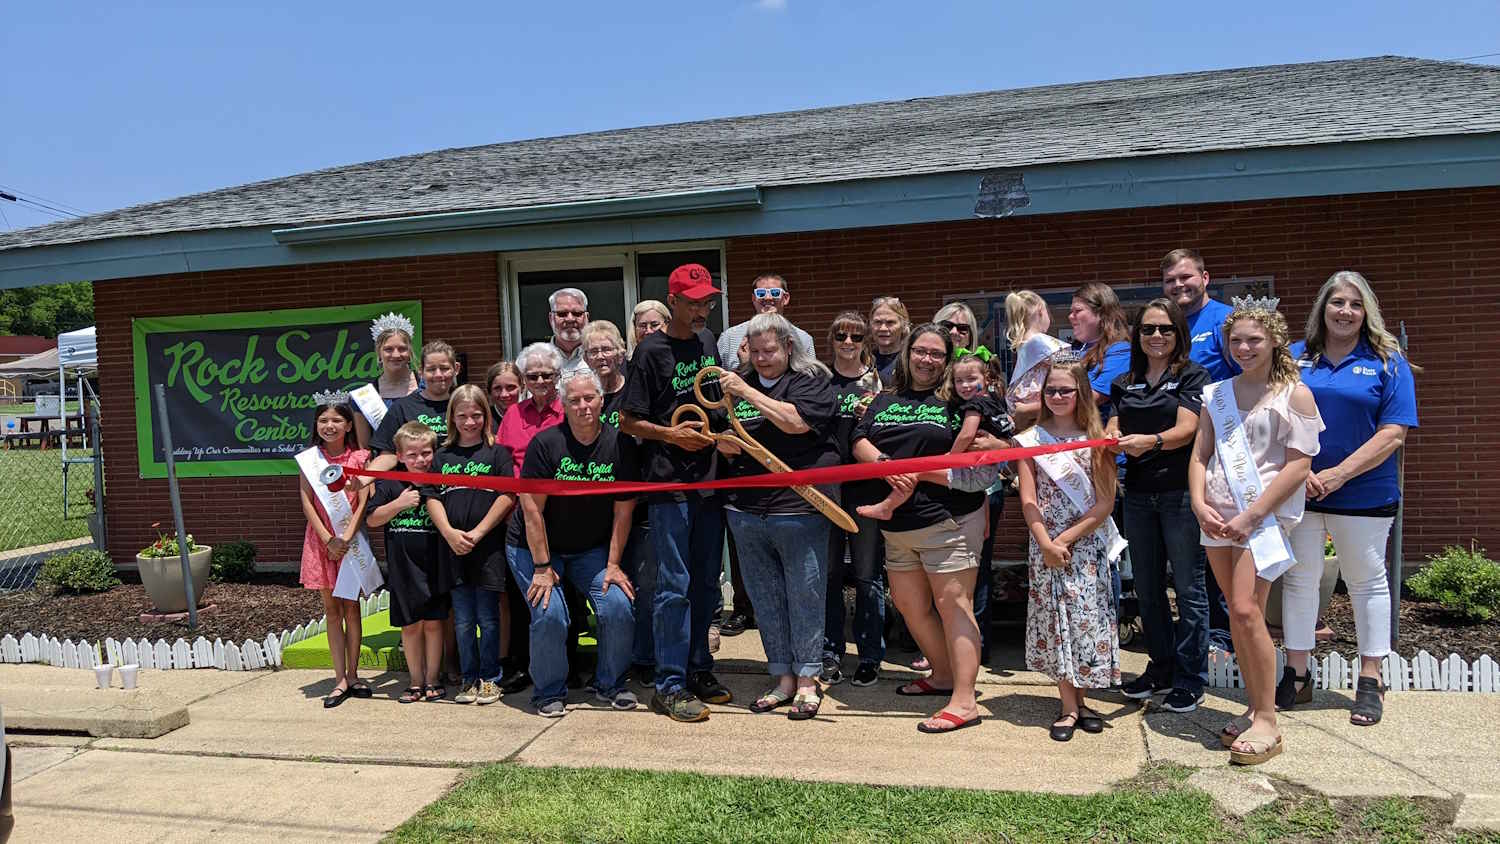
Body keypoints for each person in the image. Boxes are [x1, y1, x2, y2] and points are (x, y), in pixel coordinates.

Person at [1189, 297, 1323, 766]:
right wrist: (1199, 502)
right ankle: (1251, 706)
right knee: (1237, 613)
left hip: (1261, 519)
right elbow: (1201, 453)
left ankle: (1268, 718)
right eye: (1236, 339)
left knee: (1246, 610)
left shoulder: (1295, 394)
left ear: (1275, 341)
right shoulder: (1217, 393)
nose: (1243, 347)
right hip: (1217, 517)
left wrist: (1251, 515)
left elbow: (1299, 464)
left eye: (1254, 339)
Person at [1282, 272, 1417, 726]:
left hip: (1363, 493)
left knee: (1366, 582)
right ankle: (1297, 674)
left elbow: (1394, 432)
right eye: (1336, 302)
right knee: (1300, 581)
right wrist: (1297, 475)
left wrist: (1337, 475)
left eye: (1354, 305)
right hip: (1301, 491)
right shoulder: (1296, 357)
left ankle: (1370, 678)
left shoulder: (1387, 361)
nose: (1344, 311)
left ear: (1367, 313)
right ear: (1322, 308)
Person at [852, 325, 985, 734]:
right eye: (920, 352)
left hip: (948, 519)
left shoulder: (957, 401)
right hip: (898, 526)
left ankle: (965, 700)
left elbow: (979, 461)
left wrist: (918, 474)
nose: (927, 360)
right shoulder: (886, 399)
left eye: (937, 355)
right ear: (908, 353)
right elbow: (859, 439)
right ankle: (942, 675)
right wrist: (884, 466)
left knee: (954, 605)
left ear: (947, 360)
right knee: (910, 606)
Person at [620, 262, 733, 722]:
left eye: (707, 300)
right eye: (694, 301)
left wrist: (723, 436)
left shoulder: (708, 343)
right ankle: (668, 684)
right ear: (673, 302)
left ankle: (698, 668)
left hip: (708, 480)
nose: (703, 308)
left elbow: (717, 401)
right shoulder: (650, 351)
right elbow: (629, 420)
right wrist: (671, 436)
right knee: (674, 585)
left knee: (707, 583)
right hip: (669, 483)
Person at [715, 313, 840, 720]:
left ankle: (808, 679)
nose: (764, 359)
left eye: (771, 350)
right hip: (745, 509)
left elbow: (796, 422)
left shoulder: (811, 381)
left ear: (788, 347)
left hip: (800, 507)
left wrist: (748, 393)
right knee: (765, 598)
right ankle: (782, 677)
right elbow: (723, 432)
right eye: (757, 351)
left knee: (805, 594)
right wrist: (723, 445)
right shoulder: (736, 385)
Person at [511, 368, 641, 717]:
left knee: (616, 603)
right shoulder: (546, 444)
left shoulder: (620, 444)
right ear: (563, 405)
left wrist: (613, 565)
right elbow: (531, 510)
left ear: (602, 400)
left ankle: (610, 683)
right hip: (534, 548)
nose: (583, 406)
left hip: (590, 550)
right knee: (549, 613)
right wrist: (541, 567)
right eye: (574, 400)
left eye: (589, 398)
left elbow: (623, 513)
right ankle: (548, 692)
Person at [1106, 299, 1211, 713]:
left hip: (1180, 494)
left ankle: (1190, 678)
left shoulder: (1192, 375)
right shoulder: (1125, 380)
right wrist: (1114, 433)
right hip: (1137, 494)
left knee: (1188, 589)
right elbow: (1117, 421)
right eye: (1148, 329)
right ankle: (1161, 666)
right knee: (1147, 589)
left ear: (1178, 334)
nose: (1156, 336)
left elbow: (1187, 430)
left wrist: (1147, 443)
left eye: (1165, 329)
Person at [1017, 355, 1121, 741]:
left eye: (1065, 389)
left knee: (1086, 619)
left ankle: (1083, 699)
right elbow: (1028, 499)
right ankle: (1068, 707)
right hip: (1044, 542)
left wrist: (1065, 539)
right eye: (1051, 390)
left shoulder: (1097, 440)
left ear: (1081, 393)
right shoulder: (1029, 440)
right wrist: (1046, 541)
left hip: (1085, 543)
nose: (1057, 396)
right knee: (1058, 621)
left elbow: (1105, 502)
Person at [1162, 248, 1240, 656]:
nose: (1179, 285)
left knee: (1218, 535)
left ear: (1205, 277)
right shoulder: (1167, 325)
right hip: (1176, 452)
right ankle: (1195, 630)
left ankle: (1223, 632)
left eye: (1186, 277)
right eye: (1171, 280)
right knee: (1187, 546)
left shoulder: (1225, 321)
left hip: (1222, 448)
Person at [424, 385, 517, 707]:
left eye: (476, 415)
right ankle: (468, 678)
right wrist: (449, 532)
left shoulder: (498, 453)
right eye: (462, 415)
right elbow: (432, 497)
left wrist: (478, 532)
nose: (469, 421)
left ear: (486, 416)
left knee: (489, 618)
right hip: (453, 550)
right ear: (452, 417)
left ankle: (490, 679)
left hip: (487, 548)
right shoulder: (442, 456)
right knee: (462, 620)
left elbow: (507, 495)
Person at [583, 319, 656, 685]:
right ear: (584, 357)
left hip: (638, 507)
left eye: (607, 348)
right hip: (596, 513)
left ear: (621, 351)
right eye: (593, 350)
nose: (601, 356)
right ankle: (612, 658)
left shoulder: (636, 395)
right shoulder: (584, 399)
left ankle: (642, 657)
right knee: (608, 589)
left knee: (642, 587)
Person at [498, 343, 569, 694]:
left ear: (558, 376)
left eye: (547, 374)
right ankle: (523, 665)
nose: (540, 380)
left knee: (563, 592)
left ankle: (567, 665)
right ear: (524, 379)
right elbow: (501, 459)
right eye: (533, 375)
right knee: (522, 596)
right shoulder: (513, 414)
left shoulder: (568, 409)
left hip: (563, 515)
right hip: (517, 516)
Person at [821, 311, 885, 687]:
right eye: (840, 336)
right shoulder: (818, 378)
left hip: (866, 489)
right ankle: (831, 649)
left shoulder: (880, 382)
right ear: (831, 339)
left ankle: (870, 654)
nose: (848, 343)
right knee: (828, 574)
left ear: (866, 342)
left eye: (856, 337)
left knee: (867, 576)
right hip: (827, 488)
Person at [366, 421, 450, 704]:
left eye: (426, 453)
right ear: (399, 456)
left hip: (435, 564)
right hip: (403, 569)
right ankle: (415, 681)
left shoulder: (440, 481)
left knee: (434, 624)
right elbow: (372, 518)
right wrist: (398, 504)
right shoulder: (390, 484)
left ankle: (433, 679)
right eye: (412, 455)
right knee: (411, 626)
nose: (420, 460)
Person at [298, 399, 372, 708]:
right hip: (322, 542)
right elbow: (306, 502)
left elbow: (365, 499)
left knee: (352, 609)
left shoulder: (359, 457)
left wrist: (347, 535)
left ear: (349, 425)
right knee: (332, 611)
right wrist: (329, 538)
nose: (329, 426)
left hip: (351, 543)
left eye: (336, 420)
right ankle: (339, 678)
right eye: (323, 420)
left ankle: (354, 675)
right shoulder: (309, 460)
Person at [366, 340, 460, 473]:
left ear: (456, 369)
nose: (438, 375)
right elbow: (389, 455)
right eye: (431, 369)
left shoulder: (464, 406)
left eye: (444, 368)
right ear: (421, 372)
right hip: (416, 490)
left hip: (457, 486)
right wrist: (363, 479)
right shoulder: (402, 408)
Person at [716, 273, 816, 366]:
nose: (768, 297)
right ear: (753, 298)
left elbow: (812, 380)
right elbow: (718, 378)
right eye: (761, 293)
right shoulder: (729, 338)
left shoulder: (803, 340)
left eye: (775, 292)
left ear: (786, 298)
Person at [354, 312, 421, 449]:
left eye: (402, 349)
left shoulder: (426, 386)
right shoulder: (366, 395)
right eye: (388, 349)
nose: (396, 355)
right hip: (385, 466)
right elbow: (365, 449)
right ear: (379, 352)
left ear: (409, 352)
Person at [1004, 290, 1067, 429]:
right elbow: (1070, 362)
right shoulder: (1039, 341)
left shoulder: (1022, 343)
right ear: (1040, 310)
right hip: (1038, 405)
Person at [1068, 283, 1132, 414]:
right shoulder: (1074, 349)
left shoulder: (1122, 351)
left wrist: (1029, 410)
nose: (1070, 317)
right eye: (1071, 312)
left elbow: (1093, 397)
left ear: (1102, 313)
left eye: (1078, 311)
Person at [869, 296, 911, 383]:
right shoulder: (864, 361)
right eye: (878, 322)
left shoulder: (911, 361)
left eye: (890, 322)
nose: (883, 328)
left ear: (903, 326)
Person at [548, 288, 590, 369]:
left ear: (587, 318)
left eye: (577, 313)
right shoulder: (534, 359)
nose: (570, 319)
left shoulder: (603, 358)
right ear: (551, 318)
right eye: (562, 314)